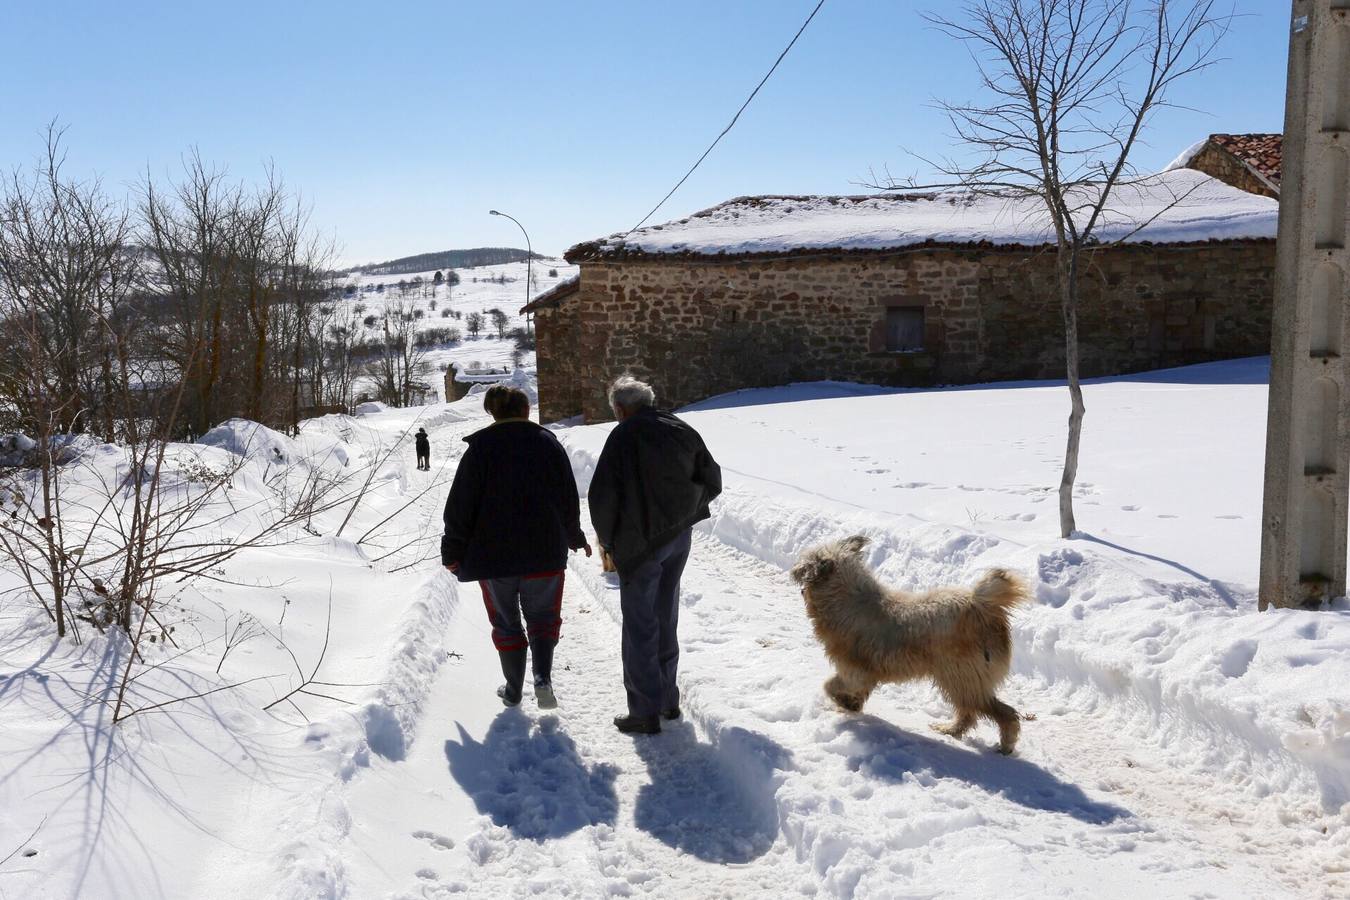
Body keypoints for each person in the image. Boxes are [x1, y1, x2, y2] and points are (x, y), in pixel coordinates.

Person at [441, 385, 591, 708]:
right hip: (545, 554)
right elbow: (567, 499)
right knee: (542, 618)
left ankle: (512, 689)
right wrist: (574, 536)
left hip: (493, 559)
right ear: (525, 412)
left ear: (494, 413)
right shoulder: (548, 445)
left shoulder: (479, 450)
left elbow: (460, 508)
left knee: (506, 623)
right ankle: (542, 679)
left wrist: (452, 552)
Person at [589, 375, 722, 734]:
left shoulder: (623, 436)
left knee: (639, 627)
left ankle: (643, 711)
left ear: (620, 408)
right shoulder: (680, 428)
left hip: (639, 547)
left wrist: (609, 542)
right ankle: (667, 701)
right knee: (666, 616)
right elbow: (713, 480)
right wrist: (688, 513)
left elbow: (602, 497)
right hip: (678, 539)